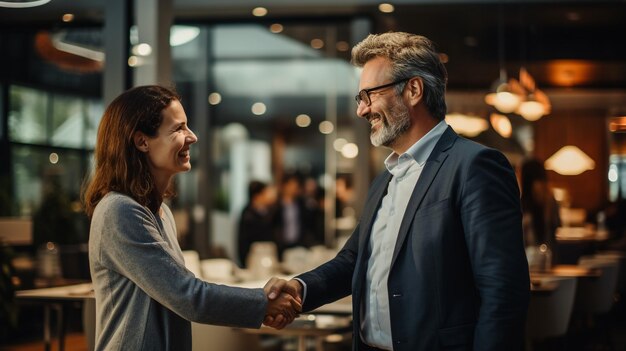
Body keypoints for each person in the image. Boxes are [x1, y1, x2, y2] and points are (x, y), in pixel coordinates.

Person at [265, 32, 530, 350]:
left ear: (414, 90)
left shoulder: (476, 166)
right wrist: (299, 287)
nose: (362, 110)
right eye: (359, 99)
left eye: (369, 95)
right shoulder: (386, 177)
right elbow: (353, 260)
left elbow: (503, 292)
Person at [83, 85, 300, 350]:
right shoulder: (120, 211)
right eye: (178, 129)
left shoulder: (161, 212)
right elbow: (187, 296)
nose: (192, 137)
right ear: (142, 141)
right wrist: (263, 303)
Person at [520, 158, 561, 266]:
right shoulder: (550, 199)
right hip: (550, 259)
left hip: (529, 262)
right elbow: (557, 226)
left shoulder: (524, 202)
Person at [237, 180, 277, 267]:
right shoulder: (247, 214)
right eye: (266, 192)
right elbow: (243, 242)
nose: (269, 195)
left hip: (268, 258)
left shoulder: (269, 211)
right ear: (258, 195)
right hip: (254, 260)